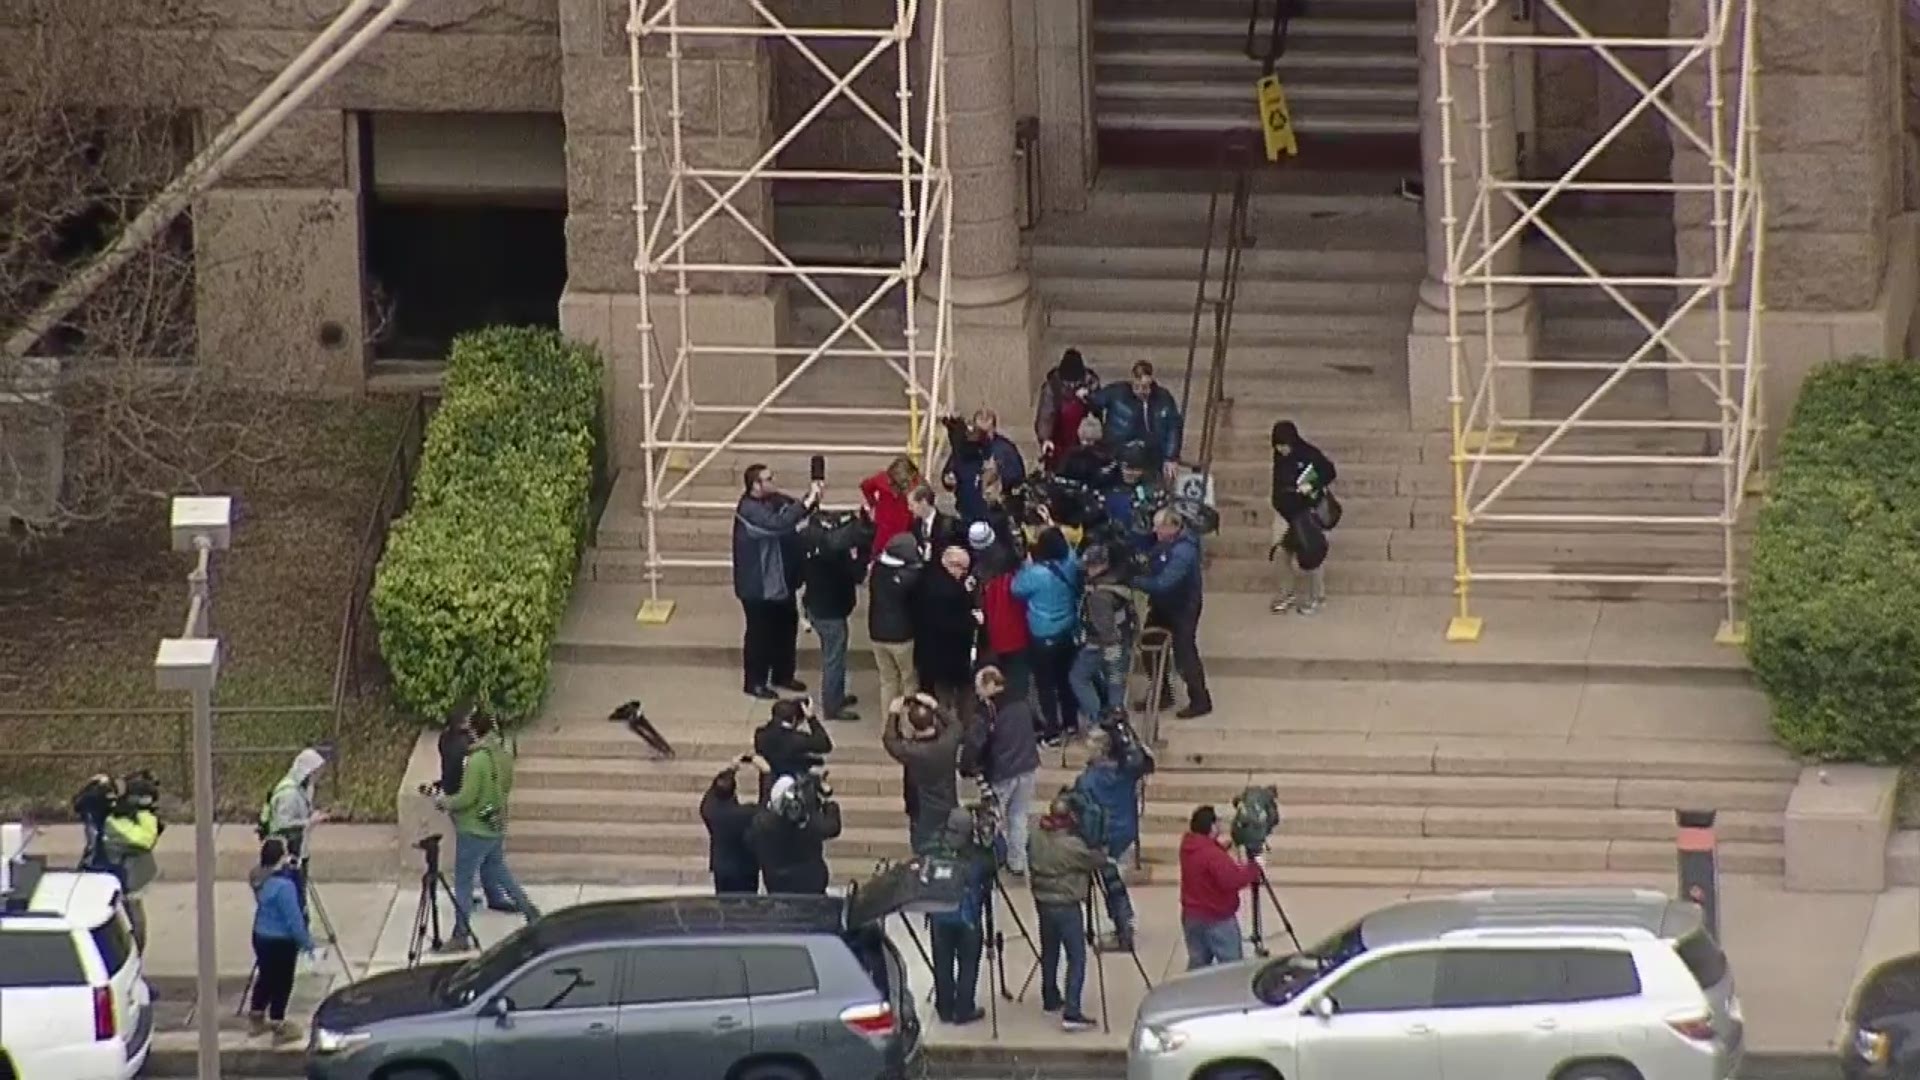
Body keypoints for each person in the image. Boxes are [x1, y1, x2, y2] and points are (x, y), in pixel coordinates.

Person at [439, 714, 539, 951]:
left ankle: (460, 935)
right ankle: (530, 911)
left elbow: (466, 798)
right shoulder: (503, 754)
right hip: (495, 824)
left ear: (474, 731)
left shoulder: (477, 761)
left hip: (473, 829)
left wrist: (445, 802)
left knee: (463, 882)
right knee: (499, 870)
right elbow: (505, 786)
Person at [732, 462, 823, 700]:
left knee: (786, 628)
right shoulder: (748, 509)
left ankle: (783, 674)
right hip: (758, 586)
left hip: (781, 581)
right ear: (755, 485)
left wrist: (810, 499)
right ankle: (755, 681)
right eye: (768, 478)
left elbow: (794, 509)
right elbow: (777, 525)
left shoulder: (774, 499)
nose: (774, 481)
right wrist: (803, 506)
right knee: (759, 635)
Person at [1026, 794, 1104, 1031]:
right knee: (1076, 957)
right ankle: (1072, 1011)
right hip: (1066, 905)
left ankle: (1050, 996)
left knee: (1049, 951)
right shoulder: (1072, 846)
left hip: (1042, 901)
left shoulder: (1036, 834)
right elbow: (1096, 860)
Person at [436, 708, 518, 914]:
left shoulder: (445, 739)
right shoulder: (471, 749)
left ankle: (486, 896)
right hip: (473, 804)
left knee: (483, 855)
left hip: (456, 796)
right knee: (488, 853)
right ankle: (493, 897)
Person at [1070, 727, 1146, 948]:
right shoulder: (1126, 771)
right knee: (1114, 881)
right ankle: (1125, 921)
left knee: (1111, 884)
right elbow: (1142, 760)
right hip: (1126, 830)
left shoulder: (1088, 780)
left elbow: (1080, 806)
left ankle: (1123, 930)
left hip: (1104, 836)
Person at [962, 665, 1039, 877]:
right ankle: (1017, 862)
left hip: (1002, 771)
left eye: (979, 689)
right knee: (1019, 816)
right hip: (1028, 766)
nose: (978, 694)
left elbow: (975, 742)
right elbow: (1039, 724)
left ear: (989, 685)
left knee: (993, 819)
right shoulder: (1022, 700)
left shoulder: (988, 710)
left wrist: (967, 765)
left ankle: (993, 861)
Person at [1135, 508, 1212, 719]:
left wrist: (1133, 580)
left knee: (1184, 653)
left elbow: (1162, 584)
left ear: (1172, 527)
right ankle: (1162, 693)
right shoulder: (1165, 542)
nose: (1154, 531)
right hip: (1163, 605)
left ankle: (1200, 699)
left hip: (1183, 607)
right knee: (1149, 646)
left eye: (1158, 527)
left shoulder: (1183, 552)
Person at [1012, 527, 1083, 743]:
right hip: (1068, 629)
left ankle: (1052, 729)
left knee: (1045, 684)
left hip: (1042, 634)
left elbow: (1016, 589)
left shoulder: (1035, 574)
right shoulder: (1071, 563)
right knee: (1065, 678)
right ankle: (1071, 722)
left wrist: (1027, 565)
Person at [800, 512, 871, 721]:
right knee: (834, 660)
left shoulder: (809, 544)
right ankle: (832, 705)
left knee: (831, 655)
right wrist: (864, 551)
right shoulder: (835, 555)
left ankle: (836, 696)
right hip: (831, 612)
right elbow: (857, 574)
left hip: (816, 605)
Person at [926, 805, 991, 1025]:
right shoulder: (975, 854)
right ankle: (964, 1009)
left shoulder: (935, 848)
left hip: (939, 916)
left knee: (942, 964)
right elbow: (993, 862)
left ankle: (944, 1008)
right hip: (967, 918)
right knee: (968, 964)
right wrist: (990, 836)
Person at [247, 837, 314, 1044]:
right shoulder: (284, 886)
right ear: (281, 857)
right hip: (281, 940)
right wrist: (306, 943)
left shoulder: (259, 878)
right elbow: (294, 919)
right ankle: (278, 1022)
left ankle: (256, 1015)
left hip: (261, 935)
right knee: (283, 981)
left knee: (266, 976)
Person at [1179, 805, 1262, 970]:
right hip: (1217, 919)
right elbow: (1233, 880)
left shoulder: (1188, 847)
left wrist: (1221, 847)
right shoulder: (1213, 856)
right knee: (1231, 967)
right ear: (1211, 826)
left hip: (1191, 916)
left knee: (1198, 965)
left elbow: (1206, 861)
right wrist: (1255, 868)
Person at [1269, 419, 1339, 615]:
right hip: (1284, 511)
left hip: (1305, 512)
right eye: (1278, 446)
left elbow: (1329, 471)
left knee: (1312, 552)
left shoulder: (1308, 454)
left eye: (1285, 446)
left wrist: (1312, 484)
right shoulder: (1279, 457)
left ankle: (1317, 595)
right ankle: (1287, 593)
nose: (1282, 450)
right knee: (1281, 552)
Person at [883, 694, 964, 854]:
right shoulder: (947, 744)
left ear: (912, 727)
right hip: (948, 806)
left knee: (923, 854)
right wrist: (935, 705)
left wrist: (893, 713)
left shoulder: (913, 752)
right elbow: (956, 725)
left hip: (922, 814)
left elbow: (890, 741)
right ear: (933, 721)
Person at [1069, 545, 1136, 722]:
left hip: (1100, 644)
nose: (1087, 571)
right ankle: (1117, 717)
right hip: (1122, 638)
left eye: (1090, 567)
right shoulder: (1116, 581)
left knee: (1078, 678)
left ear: (1099, 565)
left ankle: (1097, 720)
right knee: (1115, 682)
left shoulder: (1099, 596)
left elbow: (1105, 627)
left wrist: (1110, 650)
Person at [1088, 361, 1183, 480]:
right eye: (1137, 387)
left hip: (1151, 456)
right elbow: (1093, 403)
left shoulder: (1163, 398)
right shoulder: (1116, 392)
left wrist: (1170, 457)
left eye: (1145, 387)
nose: (1141, 391)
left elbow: (1173, 426)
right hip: (1118, 452)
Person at [914, 544, 981, 713]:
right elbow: (951, 622)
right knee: (947, 699)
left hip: (926, 649)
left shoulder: (927, 576)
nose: (964, 574)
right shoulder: (950, 591)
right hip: (947, 656)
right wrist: (973, 619)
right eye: (963, 569)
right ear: (953, 565)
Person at [751, 774, 843, 895]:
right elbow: (833, 827)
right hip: (811, 883)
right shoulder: (810, 823)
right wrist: (827, 801)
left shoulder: (763, 824)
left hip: (777, 884)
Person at [973, 526, 1032, 699]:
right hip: (1018, 637)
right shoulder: (1016, 583)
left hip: (998, 639)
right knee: (1019, 678)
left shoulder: (988, 584)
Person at [868, 533, 923, 716]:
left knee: (888, 681)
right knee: (908, 681)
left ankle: (888, 724)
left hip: (877, 633)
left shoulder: (877, 569)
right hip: (902, 637)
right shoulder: (909, 576)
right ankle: (908, 725)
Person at [942, 409, 1027, 524]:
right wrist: (948, 479)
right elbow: (950, 469)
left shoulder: (1005, 449)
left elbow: (1017, 477)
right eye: (978, 431)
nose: (981, 436)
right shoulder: (965, 449)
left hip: (996, 514)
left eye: (985, 432)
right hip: (967, 511)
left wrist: (996, 477)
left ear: (993, 429)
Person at [700, 758, 761, 894]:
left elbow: (710, 795)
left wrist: (731, 769)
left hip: (722, 869)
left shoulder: (711, 811)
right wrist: (766, 773)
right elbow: (767, 805)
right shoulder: (747, 814)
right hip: (746, 868)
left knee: (725, 904)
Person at [754, 697, 833, 801]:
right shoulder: (797, 739)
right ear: (794, 719)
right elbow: (825, 745)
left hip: (769, 787)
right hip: (794, 788)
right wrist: (811, 718)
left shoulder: (760, 734)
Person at [1035, 347, 1101, 468]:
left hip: (1085, 438)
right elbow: (1046, 415)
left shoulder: (1090, 382)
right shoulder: (1052, 387)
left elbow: (1098, 408)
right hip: (1060, 439)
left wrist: (1088, 398)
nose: (1072, 385)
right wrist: (1045, 439)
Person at [860, 455, 921, 562]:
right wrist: (873, 505)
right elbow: (866, 486)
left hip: (901, 528)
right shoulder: (882, 479)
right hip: (886, 528)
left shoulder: (916, 484)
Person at [908, 483, 958, 563]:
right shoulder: (915, 526)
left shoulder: (949, 524)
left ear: (923, 502)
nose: (909, 509)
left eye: (912, 505)